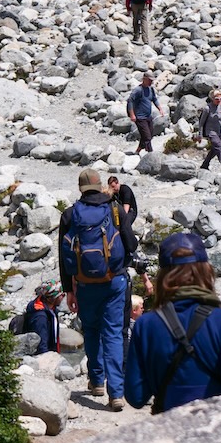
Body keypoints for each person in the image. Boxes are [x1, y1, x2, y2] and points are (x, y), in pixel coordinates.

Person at [125, 232, 221, 413]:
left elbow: (136, 397)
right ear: (207, 271)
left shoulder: (146, 324)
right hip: (217, 430)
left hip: (169, 431)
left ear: (162, 277)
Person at [59, 168, 138, 411]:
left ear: (81, 188)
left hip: (84, 283)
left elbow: (63, 256)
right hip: (114, 282)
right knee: (114, 333)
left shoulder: (71, 214)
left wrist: (68, 290)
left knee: (91, 330)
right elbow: (131, 243)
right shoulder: (114, 209)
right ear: (99, 185)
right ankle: (116, 393)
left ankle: (96, 381)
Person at [127, 71, 164, 154]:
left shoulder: (151, 89)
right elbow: (130, 101)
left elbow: (154, 99)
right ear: (144, 79)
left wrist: (160, 108)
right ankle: (151, 154)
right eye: (150, 80)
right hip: (139, 117)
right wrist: (132, 115)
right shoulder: (138, 90)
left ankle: (137, 152)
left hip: (148, 116)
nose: (151, 82)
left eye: (152, 80)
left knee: (148, 135)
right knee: (147, 137)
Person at [196, 89, 221, 174]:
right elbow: (201, 123)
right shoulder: (207, 108)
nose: (218, 100)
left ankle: (205, 165)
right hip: (211, 132)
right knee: (220, 149)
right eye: (216, 98)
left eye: (220, 98)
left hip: (219, 131)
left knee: (214, 150)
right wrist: (200, 134)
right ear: (212, 98)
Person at [24, 279, 64, 355]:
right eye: (61, 295)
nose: (63, 296)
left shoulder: (51, 309)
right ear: (52, 298)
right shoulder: (40, 317)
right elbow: (41, 344)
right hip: (43, 357)